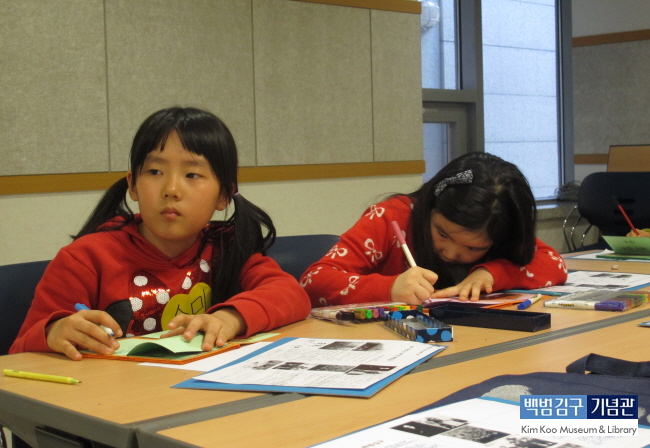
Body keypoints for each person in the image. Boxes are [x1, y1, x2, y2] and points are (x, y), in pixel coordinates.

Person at [11, 106, 311, 360]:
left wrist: (229, 318)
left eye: (192, 174)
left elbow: (291, 295)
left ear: (224, 195)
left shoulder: (227, 248)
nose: (171, 189)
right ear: (132, 184)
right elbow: (20, 351)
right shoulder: (86, 258)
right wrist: (54, 332)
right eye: (155, 172)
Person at [301, 152, 567, 307]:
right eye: (442, 234)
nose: (450, 253)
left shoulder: (496, 221)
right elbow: (314, 281)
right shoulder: (392, 218)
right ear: (430, 207)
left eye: (473, 247)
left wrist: (492, 273)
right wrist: (389, 288)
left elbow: (554, 263)